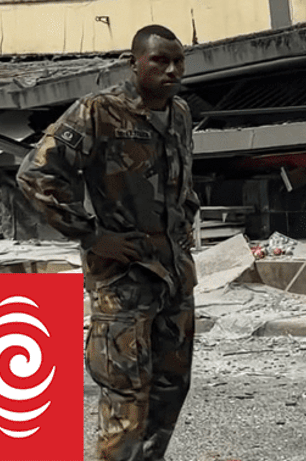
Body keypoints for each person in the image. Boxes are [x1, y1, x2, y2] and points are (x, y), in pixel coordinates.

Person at [17, 24, 199, 461]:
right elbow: (36, 175)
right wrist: (93, 236)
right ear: (133, 62)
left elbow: (183, 184)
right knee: (125, 402)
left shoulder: (180, 114)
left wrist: (186, 224)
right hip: (124, 282)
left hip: (173, 277)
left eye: (178, 62)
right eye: (159, 60)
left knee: (170, 392)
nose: (171, 70)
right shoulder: (99, 111)